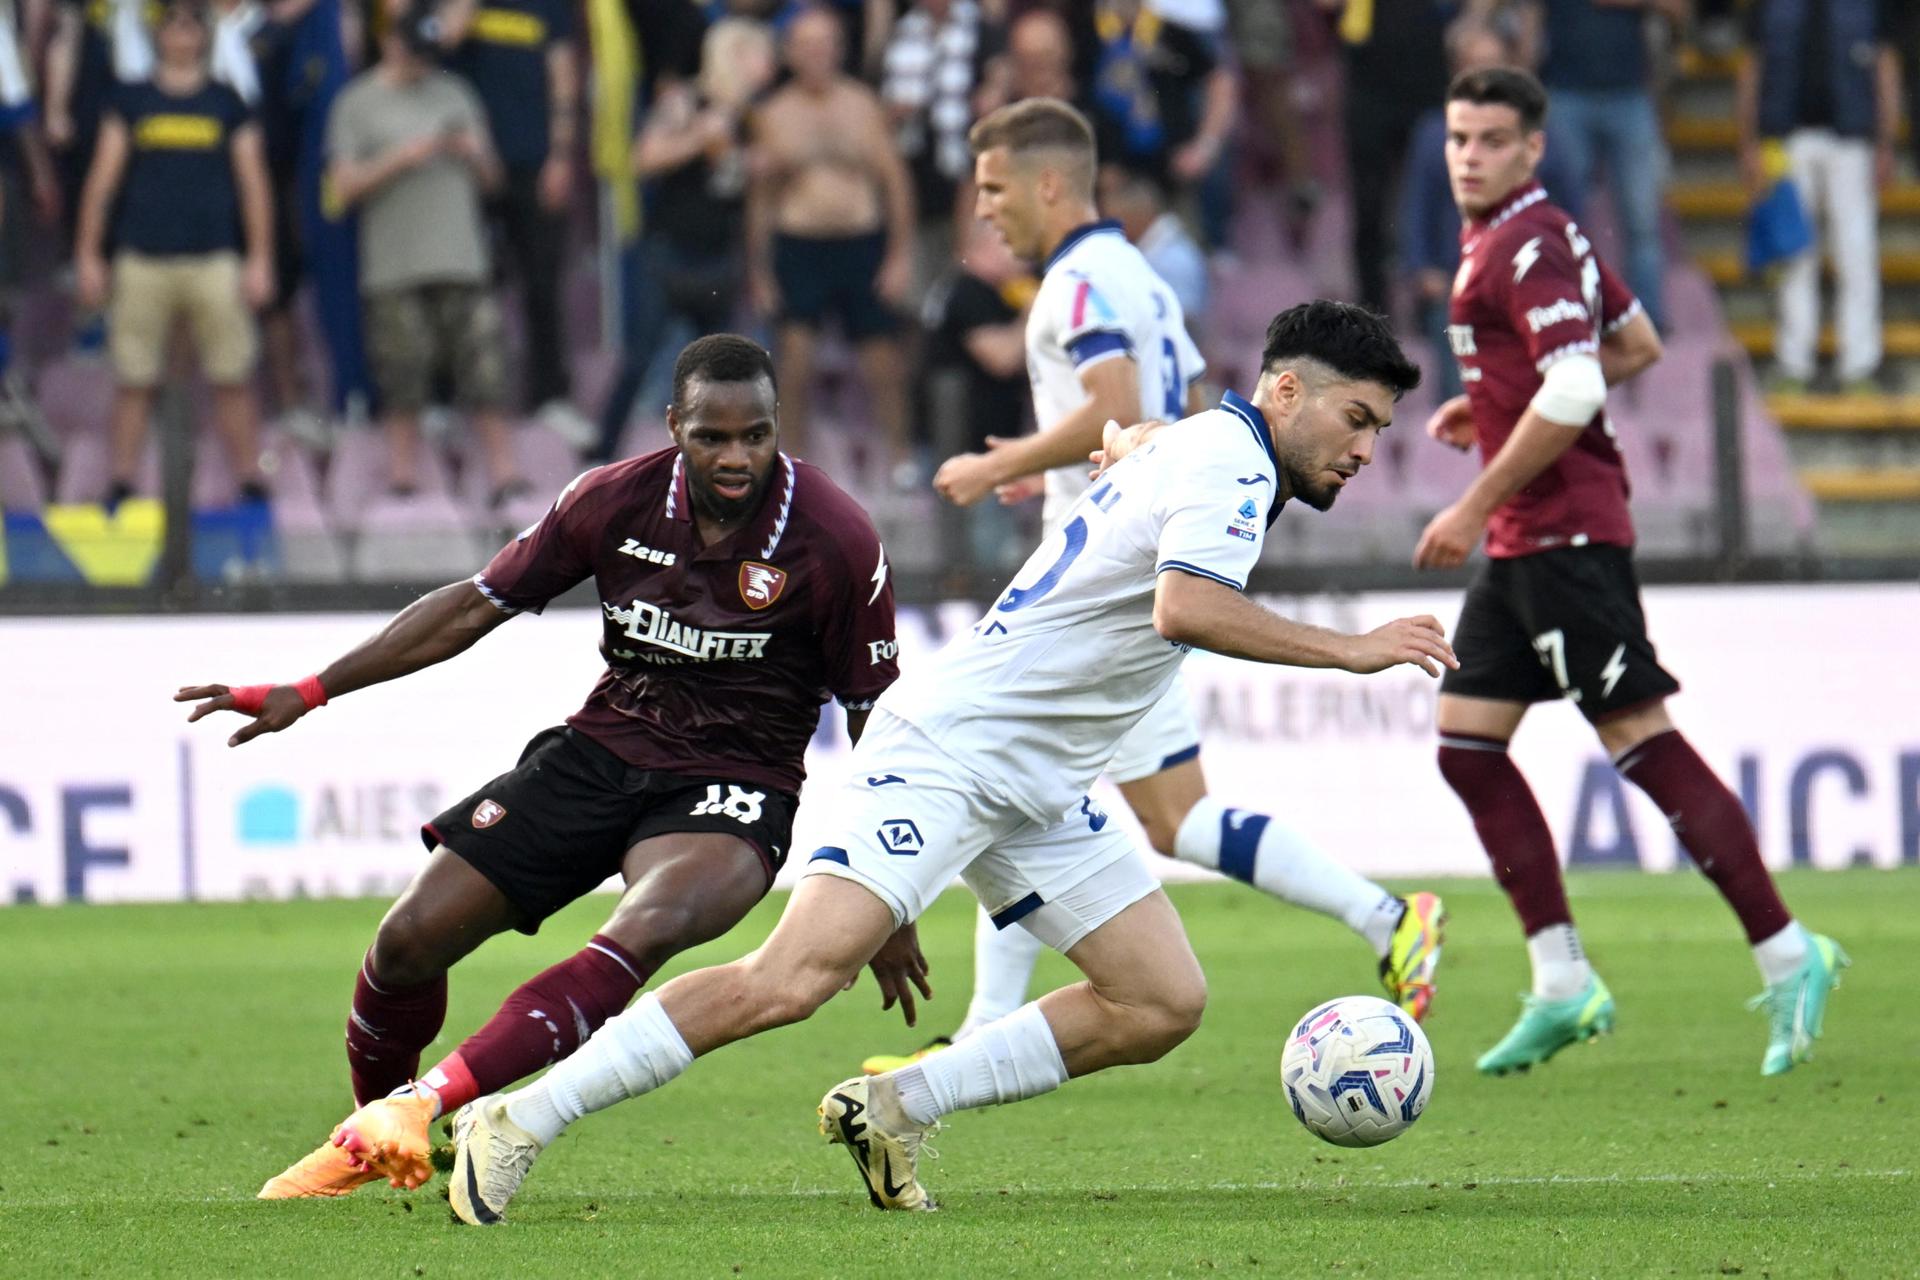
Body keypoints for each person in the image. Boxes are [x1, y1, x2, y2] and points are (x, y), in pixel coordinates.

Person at [438, 300, 1447, 1224]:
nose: (1365, 448)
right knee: (791, 978)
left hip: (1036, 783)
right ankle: (520, 1118)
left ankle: (898, 1103)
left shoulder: (1212, 448)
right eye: (1357, 418)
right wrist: (1354, 647)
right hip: (955, 751)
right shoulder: (1226, 462)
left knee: (1159, 998)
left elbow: (1153, 483)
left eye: (1379, 431)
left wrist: (1138, 448)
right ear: (1284, 391)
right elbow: (1184, 604)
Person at [176, 334, 901, 1199]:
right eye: (712, 436)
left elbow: (877, 726)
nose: (737, 456)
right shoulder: (611, 501)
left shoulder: (835, 538)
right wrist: (312, 687)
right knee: (408, 941)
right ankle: (384, 1138)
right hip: (603, 749)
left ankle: (433, 1099)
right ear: (675, 427)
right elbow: (473, 607)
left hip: (737, 784)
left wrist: (888, 891)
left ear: (779, 427)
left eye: (757, 435)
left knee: (654, 918)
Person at [883, 98, 1444, 1075]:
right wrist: (1121, 453)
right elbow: (1150, 417)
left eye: (995, 188)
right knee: (1051, 789)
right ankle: (979, 1027)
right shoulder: (1137, 275)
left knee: (1119, 802)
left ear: (1050, 183)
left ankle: (1383, 911)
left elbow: (1117, 404)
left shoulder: (1078, 280)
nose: (985, 212)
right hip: (1135, 541)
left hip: (1106, 577)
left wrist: (1003, 458)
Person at [1414, 67, 1847, 1078]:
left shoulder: (1524, 241)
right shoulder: (1527, 233)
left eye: (1488, 139)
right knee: (1467, 746)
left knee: (1640, 744)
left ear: (1531, 148)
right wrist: (1493, 413)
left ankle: (1792, 953)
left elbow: (1574, 380)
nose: (1466, 155)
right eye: (1456, 137)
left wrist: (1473, 495)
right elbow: (1636, 344)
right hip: (1527, 542)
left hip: (1564, 537)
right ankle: (1563, 982)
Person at [74, 0, 274, 510]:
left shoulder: (228, 102)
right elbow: (102, 181)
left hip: (215, 259)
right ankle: (121, 482)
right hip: (142, 259)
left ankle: (250, 480)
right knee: (134, 377)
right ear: (158, 34)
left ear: (204, 36)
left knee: (231, 374)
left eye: (192, 24)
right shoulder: (131, 100)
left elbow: (254, 186)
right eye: (173, 24)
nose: (182, 33)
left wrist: (260, 259)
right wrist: (89, 254)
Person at [324, 0, 524, 503]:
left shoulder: (455, 91)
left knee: (485, 367)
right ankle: (403, 475)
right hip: (394, 262)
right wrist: (402, 158)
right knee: (402, 372)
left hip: (460, 254)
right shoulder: (357, 102)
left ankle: (503, 472)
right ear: (391, 42)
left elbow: (494, 180)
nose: (422, 63)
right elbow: (341, 187)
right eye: (414, 52)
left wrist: (475, 154)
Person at [594, 16, 775, 462]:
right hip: (669, 251)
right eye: (758, 55)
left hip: (718, 256)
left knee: (726, 368)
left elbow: (755, 198)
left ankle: (721, 453)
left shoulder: (752, 118)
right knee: (640, 358)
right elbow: (645, 158)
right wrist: (698, 138)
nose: (768, 65)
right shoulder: (687, 100)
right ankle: (601, 450)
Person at [746, 6, 915, 474]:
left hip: (860, 243)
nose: (818, 54)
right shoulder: (774, 114)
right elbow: (760, 201)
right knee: (794, 361)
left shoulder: (862, 106)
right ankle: (791, 465)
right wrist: (759, 271)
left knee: (882, 359)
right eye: (807, 45)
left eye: (826, 43)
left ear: (840, 49)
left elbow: (895, 184)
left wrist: (899, 256)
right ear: (790, 52)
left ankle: (899, 460)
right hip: (799, 246)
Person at [1400, 17, 1580, 401]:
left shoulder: (1539, 135)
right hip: (1460, 286)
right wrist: (1422, 269)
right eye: (1474, 65)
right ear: (1456, 71)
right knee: (1461, 398)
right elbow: (1417, 210)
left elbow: (1569, 207)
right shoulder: (1434, 134)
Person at [442, 0, 592, 446]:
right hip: (466, 168)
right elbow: (438, 43)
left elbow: (563, 75)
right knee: (462, 288)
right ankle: (449, 401)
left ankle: (549, 397)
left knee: (543, 282)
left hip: (535, 162)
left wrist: (562, 154)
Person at [1736, 0, 1901, 393]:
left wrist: (1886, 141)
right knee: (1794, 252)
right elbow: (1751, 68)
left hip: (1852, 139)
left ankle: (1859, 363)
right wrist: (1748, 142)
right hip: (1786, 139)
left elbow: (1885, 67)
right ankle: (1794, 361)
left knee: (1856, 252)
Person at [1531, 0, 1675, 332]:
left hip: (1629, 93)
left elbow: (1678, 9)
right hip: (1564, 91)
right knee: (1561, 220)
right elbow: (1531, 19)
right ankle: (1564, 312)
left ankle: (1646, 320)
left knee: (1642, 220)